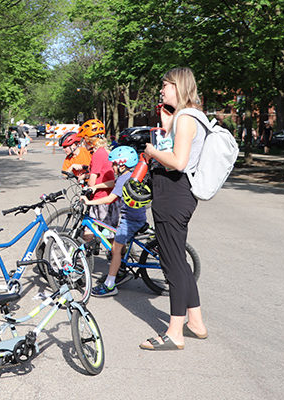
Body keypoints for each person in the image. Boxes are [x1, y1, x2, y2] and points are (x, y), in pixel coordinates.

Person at [140, 67, 208, 351]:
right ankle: (196, 323)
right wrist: (167, 128)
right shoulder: (189, 117)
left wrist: (150, 150)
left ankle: (175, 333)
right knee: (178, 259)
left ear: (178, 87)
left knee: (172, 264)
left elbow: (178, 162)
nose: (162, 90)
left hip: (173, 194)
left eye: (165, 86)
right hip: (178, 194)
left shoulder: (186, 118)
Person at [81, 146, 147, 297]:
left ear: (122, 164)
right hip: (137, 216)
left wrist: (88, 202)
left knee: (115, 249)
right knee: (118, 243)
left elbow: (111, 198)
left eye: (114, 164)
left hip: (130, 220)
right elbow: (113, 183)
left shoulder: (124, 178)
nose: (112, 167)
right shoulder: (131, 175)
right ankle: (120, 270)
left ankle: (110, 285)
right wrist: (96, 186)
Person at [79, 119, 119, 231]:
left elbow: (93, 180)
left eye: (84, 139)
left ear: (89, 140)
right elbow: (101, 174)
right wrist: (86, 176)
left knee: (103, 235)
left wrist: (88, 188)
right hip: (106, 200)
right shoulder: (104, 151)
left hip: (101, 200)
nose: (83, 142)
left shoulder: (97, 154)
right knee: (100, 234)